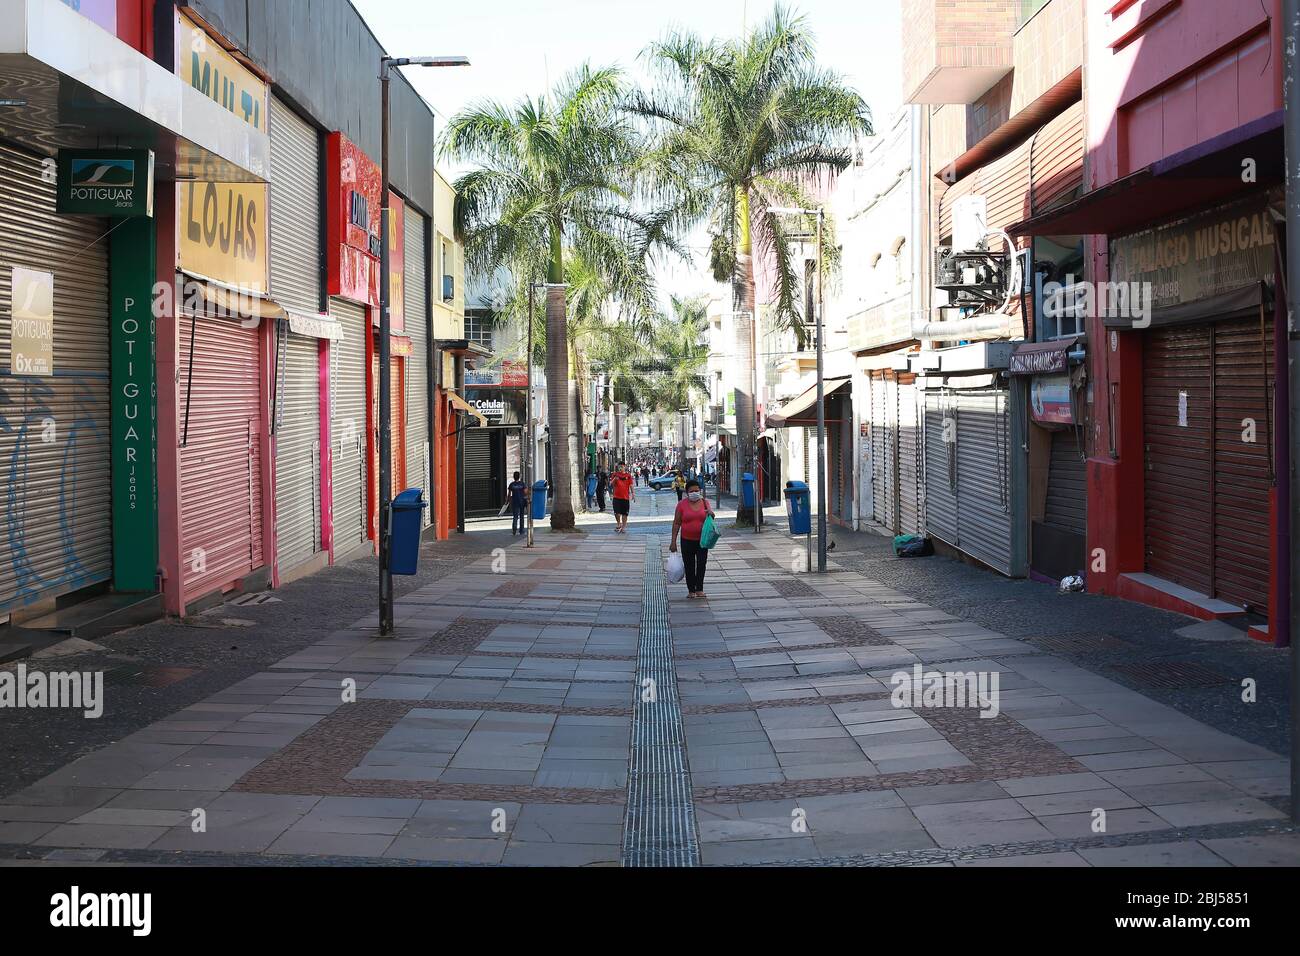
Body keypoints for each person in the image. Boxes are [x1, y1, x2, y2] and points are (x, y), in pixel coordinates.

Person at [670, 479, 715, 599]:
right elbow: (676, 523)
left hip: (703, 540)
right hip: (686, 540)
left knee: (701, 564)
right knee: (689, 565)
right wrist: (673, 541)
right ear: (687, 492)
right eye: (692, 491)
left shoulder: (705, 502)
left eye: (697, 490)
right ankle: (691, 590)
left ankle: (699, 589)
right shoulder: (681, 505)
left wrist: (711, 513)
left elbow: (711, 517)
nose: (695, 493)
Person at [609, 461, 635, 533]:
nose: (621, 468)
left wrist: (633, 494)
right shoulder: (615, 474)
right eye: (619, 466)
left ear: (625, 467)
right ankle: (618, 523)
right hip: (616, 497)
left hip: (625, 497)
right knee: (616, 512)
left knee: (624, 514)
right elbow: (611, 484)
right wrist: (615, 479)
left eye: (622, 466)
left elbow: (631, 485)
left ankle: (623, 527)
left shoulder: (628, 475)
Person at [506, 471, 529, 536]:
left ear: (514, 477)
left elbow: (509, 494)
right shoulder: (522, 484)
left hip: (515, 502)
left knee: (515, 516)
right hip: (522, 502)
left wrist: (507, 501)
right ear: (519, 477)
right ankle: (521, 531)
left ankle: (514, 530)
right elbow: (526, 492)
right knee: (521, 516)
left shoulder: (511, 484)